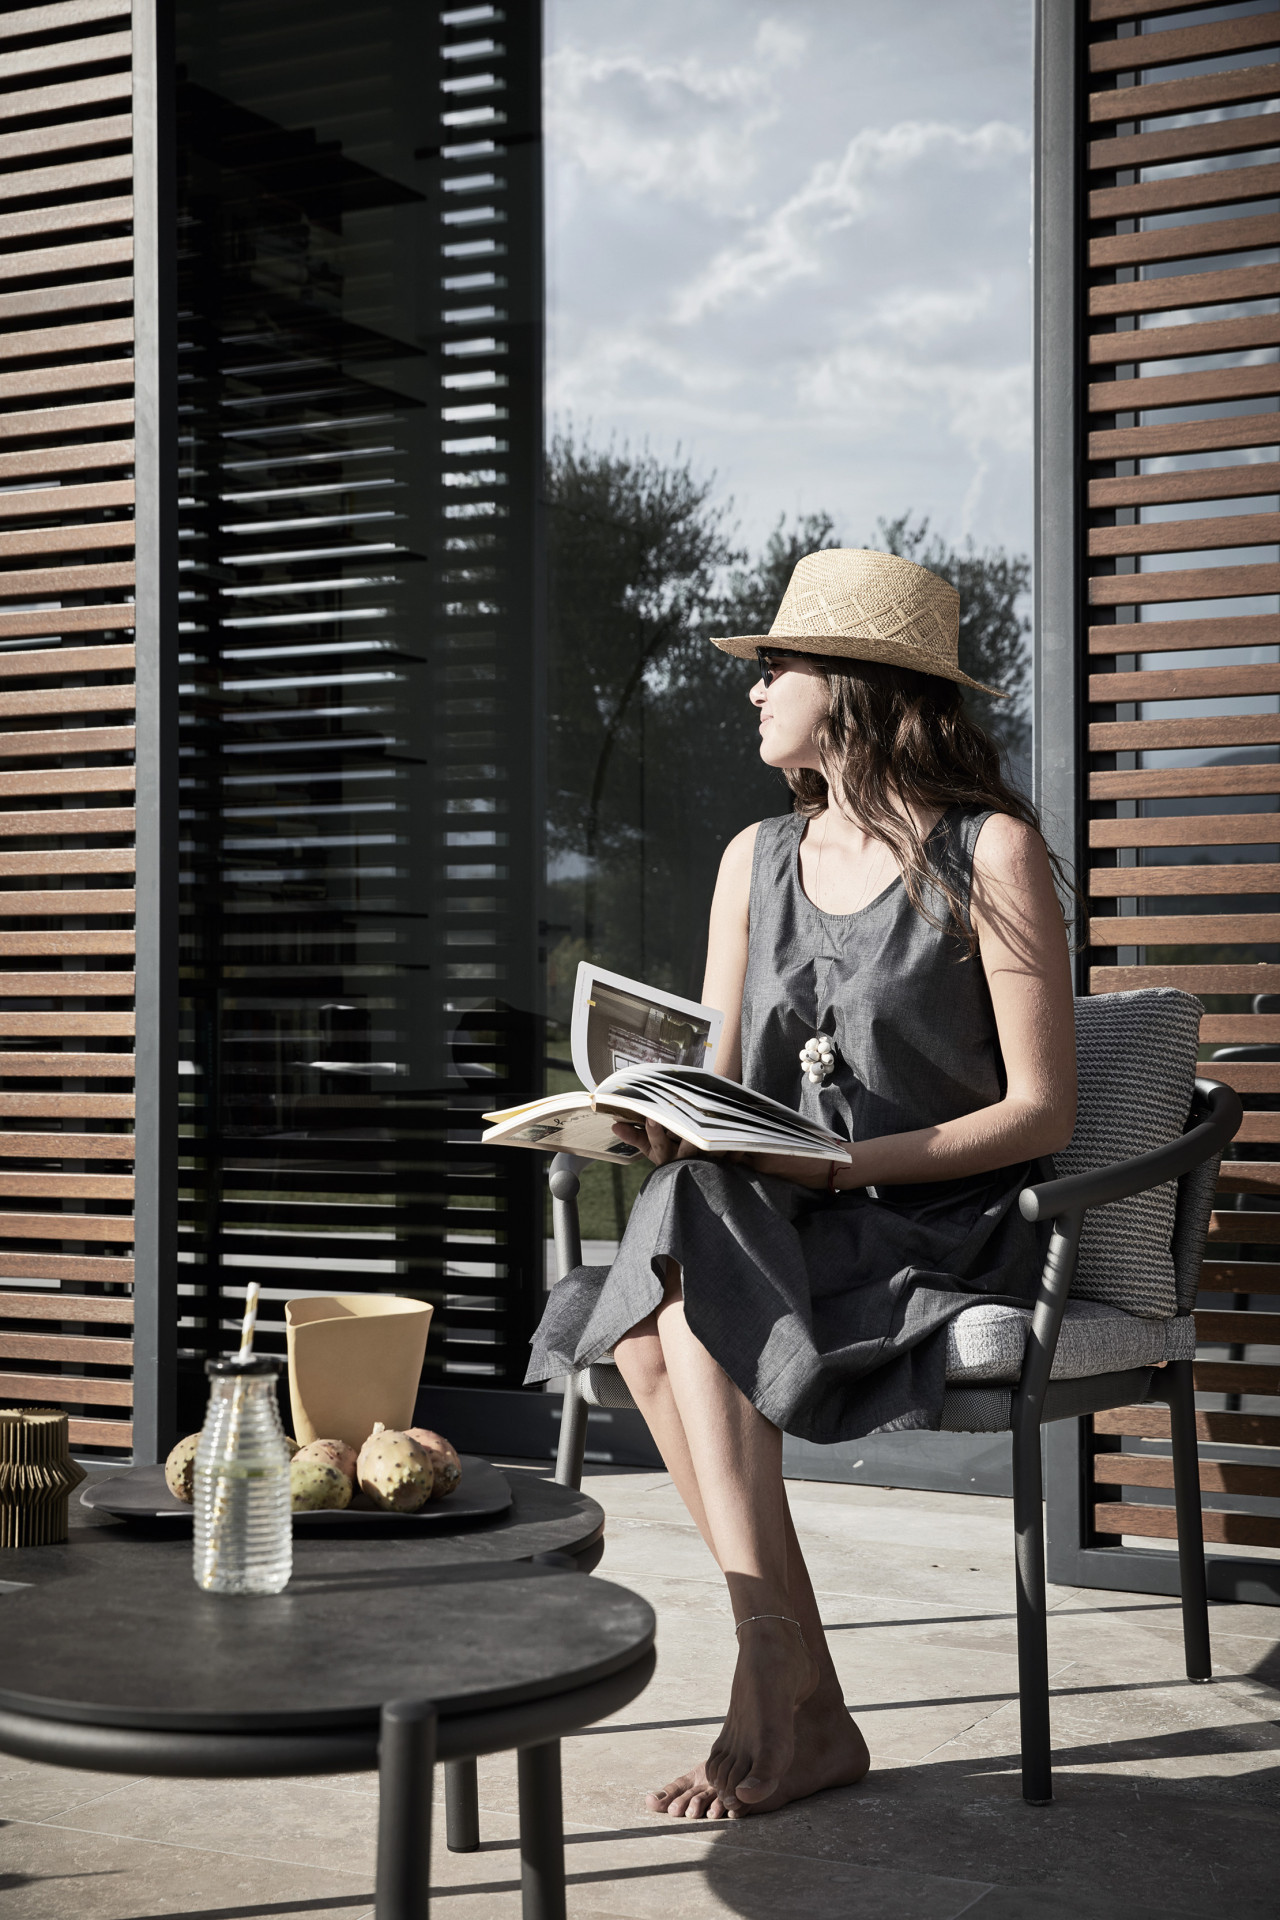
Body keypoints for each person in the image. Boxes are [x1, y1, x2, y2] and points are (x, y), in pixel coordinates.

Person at [526, 547, 1077, 1820]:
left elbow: (1038, 1111)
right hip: (776, 1207)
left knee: (651, 1320)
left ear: (853, 688)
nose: (753, 687)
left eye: (775, 665)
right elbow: (718, 1082)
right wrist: (647, 1119)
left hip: (928, 1222)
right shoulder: (752, 856)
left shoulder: (989, 850)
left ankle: (771, 1669)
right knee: (671, 1241)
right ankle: (786, 1669)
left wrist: (835, 1162)